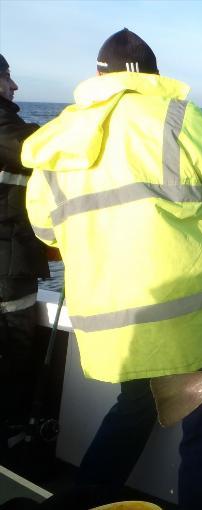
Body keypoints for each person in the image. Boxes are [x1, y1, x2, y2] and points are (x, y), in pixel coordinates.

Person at [22, 29, 202, 510]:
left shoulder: (59, 137)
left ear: (97, 77)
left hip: (117, 327)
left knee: (134, 407)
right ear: (152, 74)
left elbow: (45, 229)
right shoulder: (177, 117)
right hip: (195, 318)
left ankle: (84, 500)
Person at [0, 54, 50, 461]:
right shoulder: (6, 128)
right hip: (7, 269)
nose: (13, 86)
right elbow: (36, 149)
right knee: (16, 354)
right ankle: (12, 446)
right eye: (6, 77)